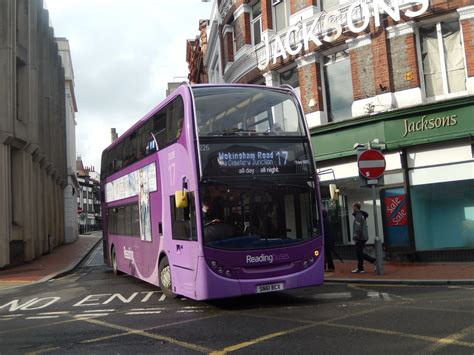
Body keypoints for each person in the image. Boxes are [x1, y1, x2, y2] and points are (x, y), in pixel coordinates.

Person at [351, 202, 376, 274]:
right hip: (363, 236)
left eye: (353, 207)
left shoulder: (358, 215)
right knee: (359, 253)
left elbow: (357, 228)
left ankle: (374, 261)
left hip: (360, 237)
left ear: (356, 207)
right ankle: (360, 268)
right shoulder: (361, 215)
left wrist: (355, 237)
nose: (353, 208)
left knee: (359, 253)